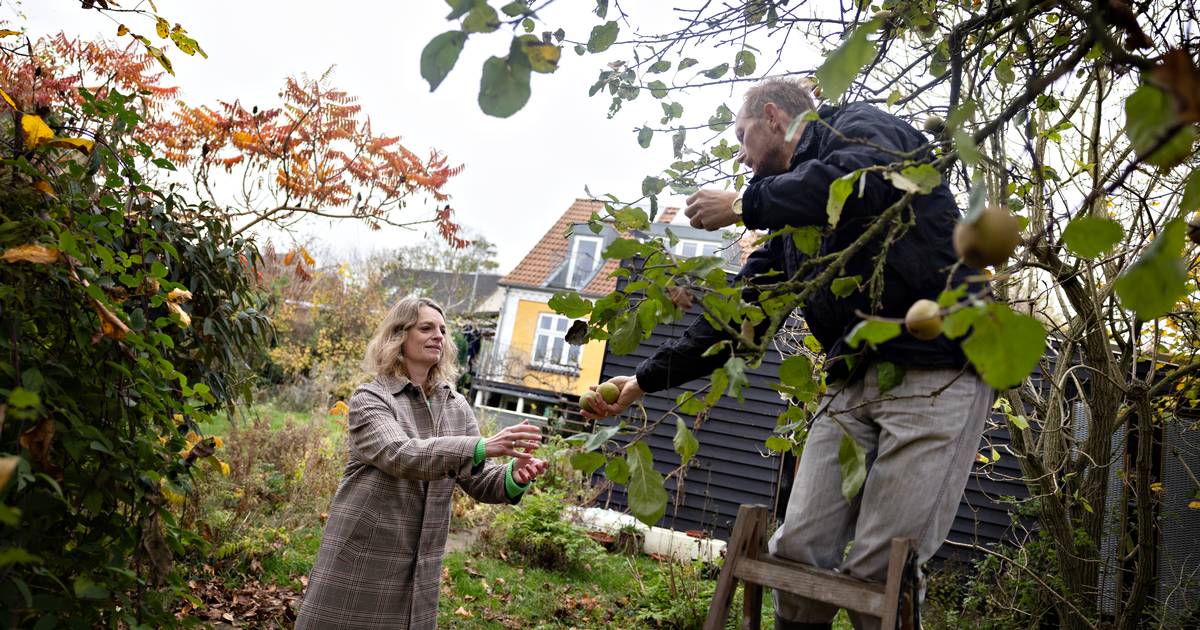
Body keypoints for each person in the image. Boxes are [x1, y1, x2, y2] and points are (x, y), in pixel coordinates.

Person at [585, 78, 994, 630]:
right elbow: (740, 321)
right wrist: (641, 381)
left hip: (937, 374)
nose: (740, 152)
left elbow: (857, 183)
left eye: (741, 135)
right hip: (851, 383)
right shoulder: (793, 228)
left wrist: (744, 204)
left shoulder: (857, 129)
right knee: (797, 548)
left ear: (773, 118)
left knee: (881, 568)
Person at [296, 296, 547, 630]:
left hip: (419, 569)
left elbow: (477, 477)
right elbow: (401, 454)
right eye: (426, 328)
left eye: (442, 330)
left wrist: (513, 476)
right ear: (400, 336)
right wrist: (482, 445)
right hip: (362, 559)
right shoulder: (371, 398)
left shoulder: (456, 405)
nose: (438, 336)